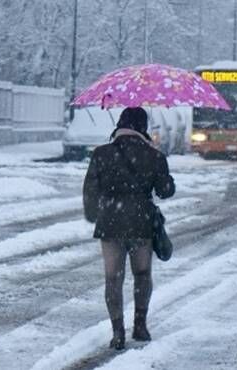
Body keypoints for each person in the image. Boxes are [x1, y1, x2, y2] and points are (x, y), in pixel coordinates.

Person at [83, 107, 175, 350]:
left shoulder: (101, 154)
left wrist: (94, 214)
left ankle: (117, 332)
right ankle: (140, 325)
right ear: (142, 127)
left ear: (120, 125)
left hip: (110, 223)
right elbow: (166, 190)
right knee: (142, 275)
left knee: (113, 278)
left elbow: (90, 189)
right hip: (141, 223)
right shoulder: (153, 156)